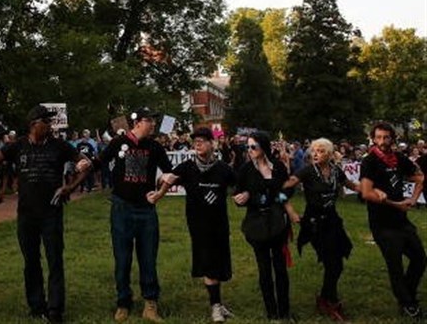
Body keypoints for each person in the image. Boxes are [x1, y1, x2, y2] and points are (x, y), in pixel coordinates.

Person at [0, 105, 90, 323]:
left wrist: (70, 187)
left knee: (55, 259)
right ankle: (37, 305)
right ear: (33, 124)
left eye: (50, 122)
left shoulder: (59, 146)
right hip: (27, 214)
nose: (49, 125)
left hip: (52, 212)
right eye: (45, 122)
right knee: (31, 260)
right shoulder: (16, 146)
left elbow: (86, 165)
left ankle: (55, 309)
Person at [151, 127, 236, 323]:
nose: (197, 144)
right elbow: (169, 179)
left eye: (202, 140)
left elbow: (240, 184)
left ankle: (218, 303)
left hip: (220, 224)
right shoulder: (187, 167)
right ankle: (215, 306)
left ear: (212, 143)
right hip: (198, 225)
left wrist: (244, 195)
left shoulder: (223, 169)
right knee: (208, 263)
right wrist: (159, 192)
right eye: (195, 141)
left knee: (219, 264)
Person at [94, 107, 171, 323]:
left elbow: (169, 172)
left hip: (146, 210)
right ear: (137, 122)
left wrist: (160, 190)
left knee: (148, 257)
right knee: (122, 258)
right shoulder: (118, 143)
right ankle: (123, 302)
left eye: (154, 121)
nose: (154, 124)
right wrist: (83, 164)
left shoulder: (155, 147)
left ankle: (150, 303)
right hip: (121, 208)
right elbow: (99, 162)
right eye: (150, 120)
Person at [283, 138, 359, 321]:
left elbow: (352, 186)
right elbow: (281, 189)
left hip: (332, 220)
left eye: (321, 151)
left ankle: (324, 298)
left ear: (330, 154)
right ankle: (330, 301)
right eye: (314, 150)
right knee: (332, 262)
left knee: (337, 262)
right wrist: (291, 210)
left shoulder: (336, 171)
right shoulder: (307, 171)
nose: (315, 154)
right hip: (314, 223)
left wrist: (371, 188)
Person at [360, 122, 425, 319]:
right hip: (382, 223)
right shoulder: (369, 161)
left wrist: (413, 200)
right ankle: (408, 304)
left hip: (402, 221)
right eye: (378, 137)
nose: (382, 141)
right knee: (395, 265)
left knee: (420, 260)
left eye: (386, 137)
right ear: (373, 138)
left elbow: (420, 177)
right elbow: (366, 192)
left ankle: (407, 295)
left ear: (392, 139)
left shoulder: (399, 158)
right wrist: (394, 203)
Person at [233, 130, 296, 321]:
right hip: (256, 223)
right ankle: (271, 312)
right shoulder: (245, 169)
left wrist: (284, 204)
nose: (250, 150)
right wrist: (241, 198)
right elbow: (238, 195)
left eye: (253, 146)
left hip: (277, 222)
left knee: (280, 268)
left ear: (264, 147)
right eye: (247, 147)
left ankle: (284, 311)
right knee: (264, 269)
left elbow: (285, 192)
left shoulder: (277, 167)